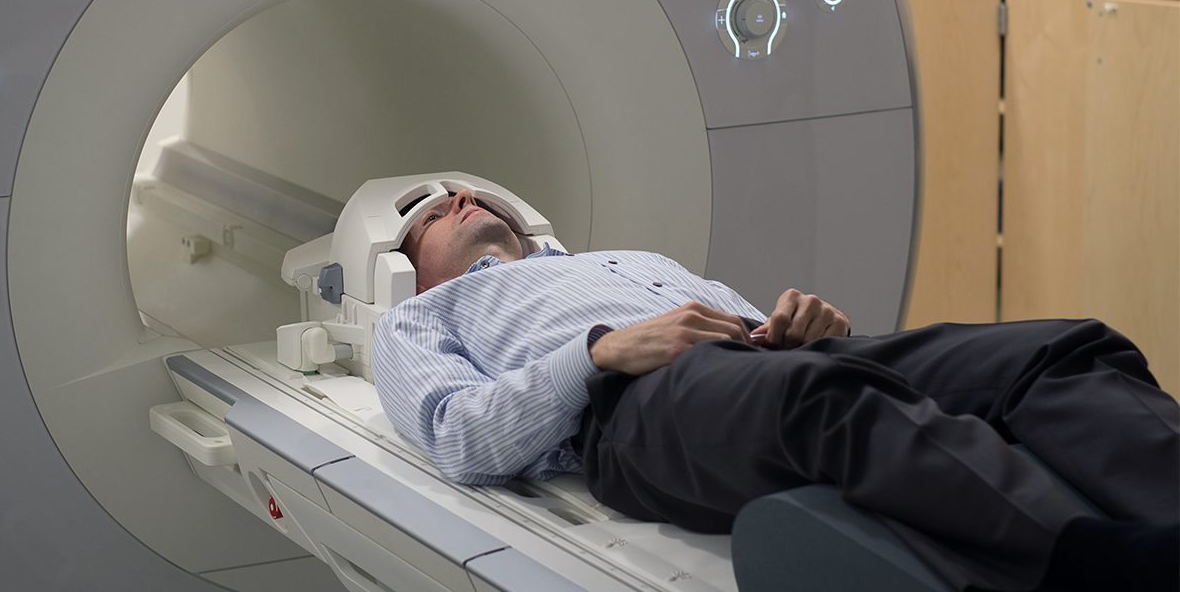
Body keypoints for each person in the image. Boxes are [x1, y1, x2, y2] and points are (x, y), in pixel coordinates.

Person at [371, 188, 1179, 592]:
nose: (468, 199)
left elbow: (757, 332)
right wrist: (601, 350)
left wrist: (809, 325)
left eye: (478, 194)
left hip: (764, 361)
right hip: (632, 409)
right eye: (440, 208)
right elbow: (458, 435)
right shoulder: (421, 318)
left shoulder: (627, 257)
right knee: (816, 400)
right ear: (410, 264)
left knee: (1066, 348)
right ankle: (1096, 564)